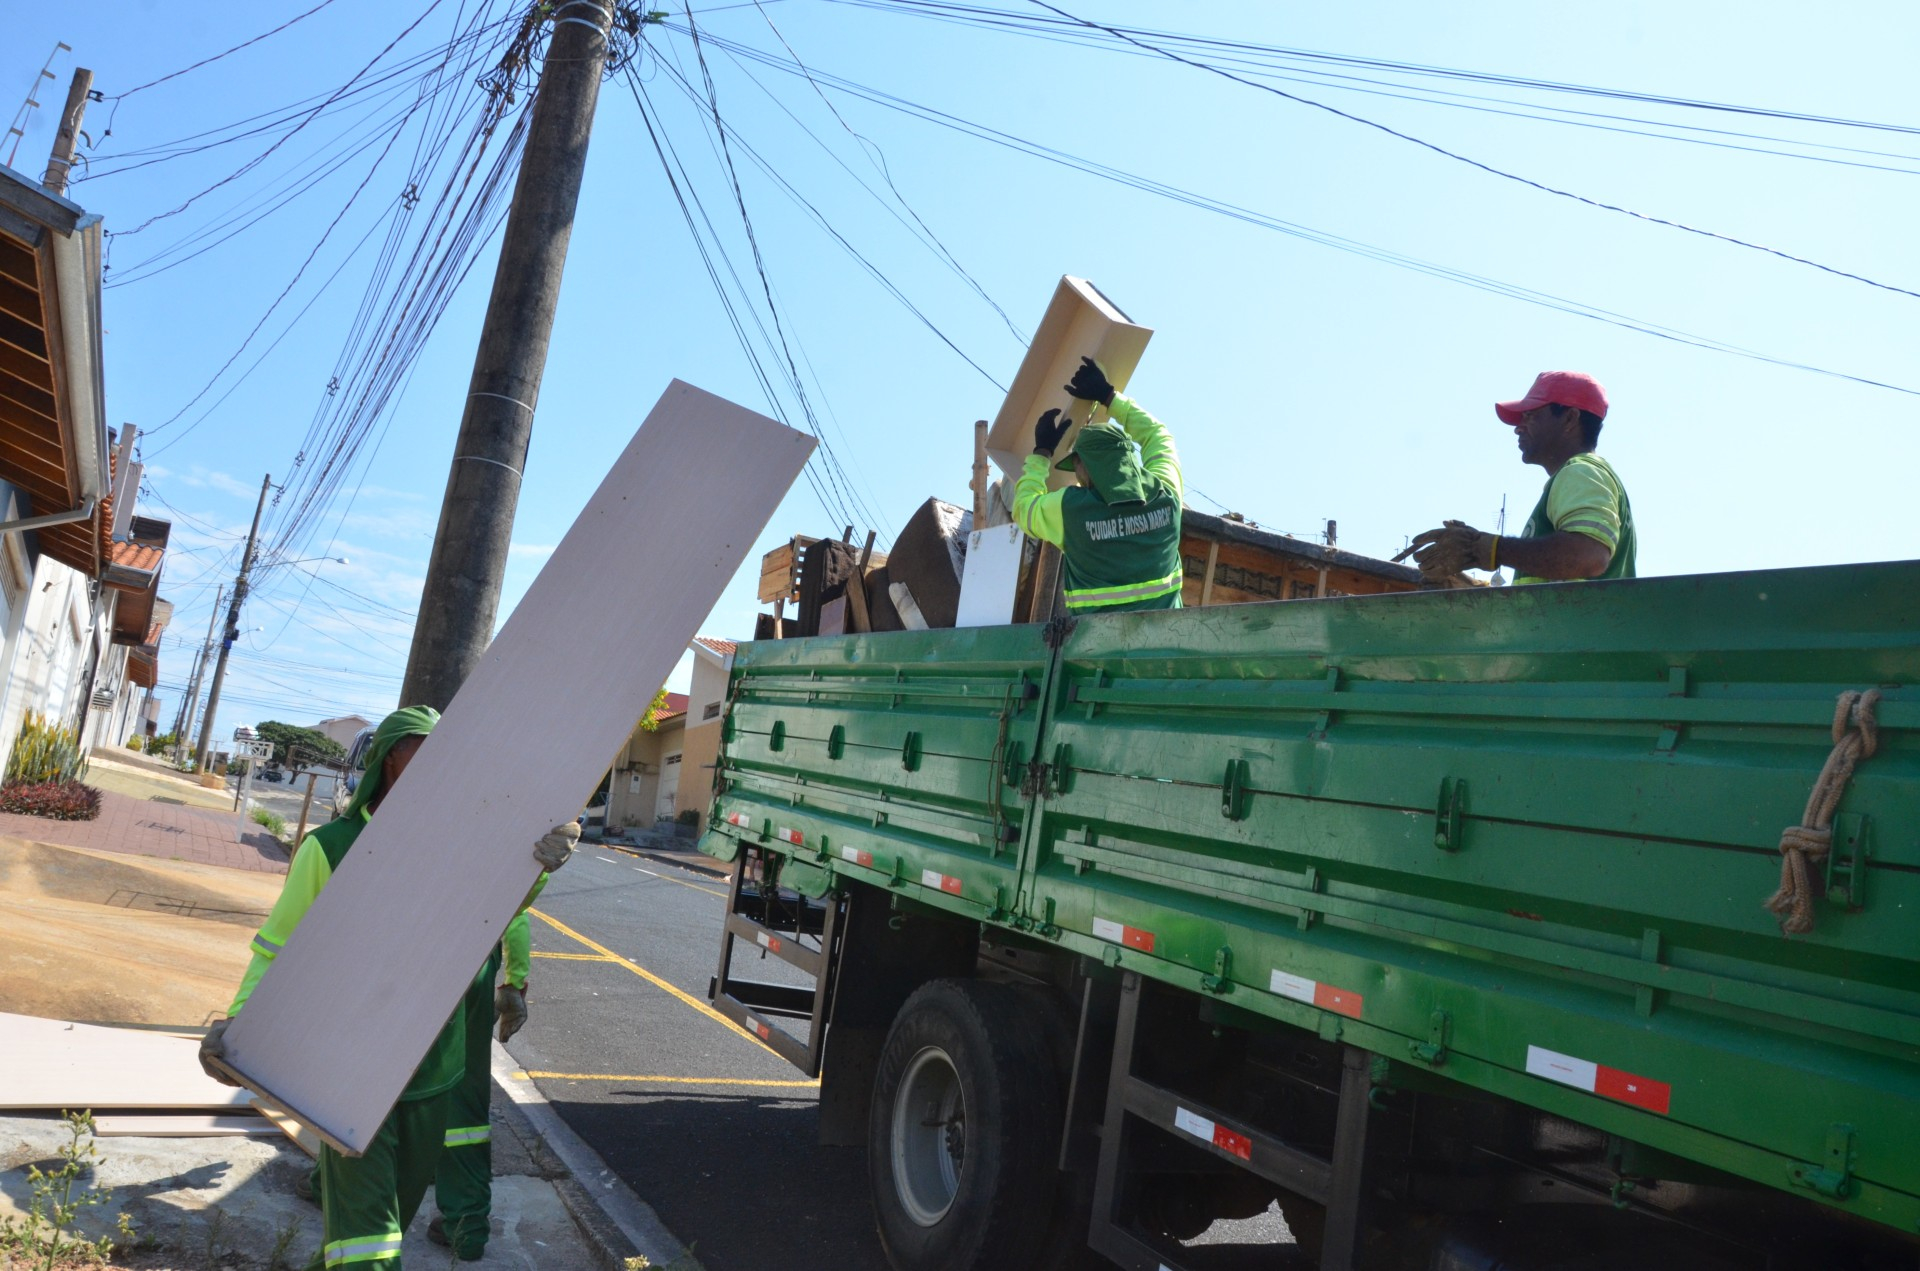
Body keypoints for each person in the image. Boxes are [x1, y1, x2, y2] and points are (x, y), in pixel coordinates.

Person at [199, 706, 579, 1270]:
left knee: (386, 1225)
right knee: (368, 1244)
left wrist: (537, 870)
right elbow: (278, 948)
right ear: (388, 762)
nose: (435, 768)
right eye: (419, 752)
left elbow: (497, 915)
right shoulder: (330, 847)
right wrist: (241, 1022)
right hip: (348, 1067)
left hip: (434, 1070)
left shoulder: (461, 851)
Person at [1405, 370, 1635, 585]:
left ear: (1569, 419)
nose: (1518, 428)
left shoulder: (1581, 472)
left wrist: (1485, 549)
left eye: (1531, 416)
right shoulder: (1580, 475)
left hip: (1579, 628)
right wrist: (1476, 563)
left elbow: (1589, 556)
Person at [1013, 356, 1185, 614]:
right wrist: (1108, 396)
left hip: (1096, 651)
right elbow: (1157, 435)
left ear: (1085, 465)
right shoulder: (1166, 494)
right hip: (1165, 648)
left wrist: (1041, 453)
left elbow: (1023, 509)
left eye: (1076, 466)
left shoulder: (1070, 511)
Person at [428, 905, 534, 1260]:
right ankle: (467, 1225)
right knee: (465, 1093)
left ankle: (333, 1185)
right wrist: (515, 981)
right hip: (474, 962)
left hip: (410, 947)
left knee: (377, 1078)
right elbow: (515, 910)